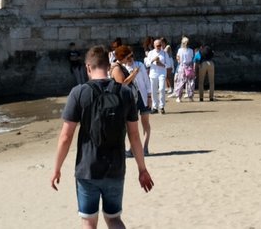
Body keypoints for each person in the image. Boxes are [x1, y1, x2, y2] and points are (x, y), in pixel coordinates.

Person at [51, 45, 154, 229]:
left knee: (89, 222)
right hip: (115, 167)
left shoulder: (79, 93)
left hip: (87, 169)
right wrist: (142, 169)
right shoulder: (125, 93)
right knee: (114, 219)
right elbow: (134, 136)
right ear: (108, 66)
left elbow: (66, 136)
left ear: (88, 68)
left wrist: (56, 169)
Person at [111, 45, 152, 154]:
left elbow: (147, 81)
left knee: (145, 122)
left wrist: (149, 96)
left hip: (142, 96)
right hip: (130, 98)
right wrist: (133, 74)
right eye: (128, 57)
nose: (130, 59)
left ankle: (145, 147)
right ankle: (131, 148)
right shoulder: (120, 68)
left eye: (132, 56)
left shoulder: (139, 65)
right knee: (131, 125)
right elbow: (123, 83)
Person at [148, 38, 172, 112]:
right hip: (153, 73)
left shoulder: (164, 53)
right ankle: (155, 107)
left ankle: (162, 106)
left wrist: (161, 64)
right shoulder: (151, 53)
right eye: (157, 45)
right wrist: (153, 60)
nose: (159, 47)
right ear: (154, 45)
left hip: (161, 73)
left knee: (161, 89)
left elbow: (168, 65)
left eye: (160, 45)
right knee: (153, 90)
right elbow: (147, 63)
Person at [173, 37, 196, 103]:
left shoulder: (180, 50)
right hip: (189, 67)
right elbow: (192, 59)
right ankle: (190, 97)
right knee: (190, 83)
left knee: (180, 82)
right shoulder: (191, 50)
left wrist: (179, 61)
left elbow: (178, 58)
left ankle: (179, 97)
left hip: (182, 66)